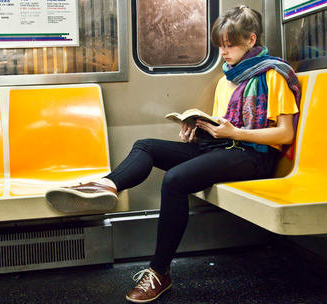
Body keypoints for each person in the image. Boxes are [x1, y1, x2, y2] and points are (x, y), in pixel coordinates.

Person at [45, 4, 301, 303]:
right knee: (146, 145)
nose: (224, 53)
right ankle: (108, 186)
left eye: (230, 46)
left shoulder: (273, 75)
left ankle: (159, 272)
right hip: (224, 147)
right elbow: (224, 126)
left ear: (251, 40)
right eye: (220, 46)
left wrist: (235, 133)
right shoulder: (226, 79)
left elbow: (285, 134)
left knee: (176, 180)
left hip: (254, 156)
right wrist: (199, 127)